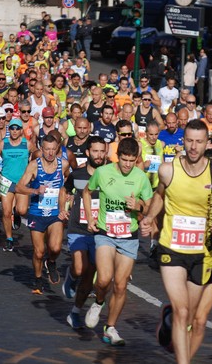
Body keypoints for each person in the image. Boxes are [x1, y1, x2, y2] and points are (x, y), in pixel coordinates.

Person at [140, 119, 212, 363]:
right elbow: (159, 195)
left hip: (203, 252)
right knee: (183, 310)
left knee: (190, 317)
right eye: (189, 141)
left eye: (199, 141)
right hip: (172, 247)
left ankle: (169, 322)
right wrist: (149, 217)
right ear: (182, 142)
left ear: (207, 142)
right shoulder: (168, 169)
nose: (194, 147)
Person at [82, 137, 153, 345]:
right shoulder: (103, 173)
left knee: (121, 286)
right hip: (105, 232)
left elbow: (149, 206)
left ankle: (110, 328)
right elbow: (87, 192)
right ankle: (99, 301)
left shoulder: (141, 177)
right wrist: (90, 217)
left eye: (131, 161)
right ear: (117, 156)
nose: (127, 165)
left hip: (128, 236)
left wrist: (138, 206)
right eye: (124, 160)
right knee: (104, 279)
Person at [59, 136, 107, 329]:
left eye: (102, 151)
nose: (99, 155)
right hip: (78, 229)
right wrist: (62, 208)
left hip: (100, 232)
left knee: (89, 276)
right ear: (88, 152)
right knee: (80, 268)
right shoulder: (77, 174)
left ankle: (75, 312)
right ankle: (71, 277)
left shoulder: (109, 174)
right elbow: (65, 190)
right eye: (95, 151)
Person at [16, 134, 70, 294]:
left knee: (55, 247)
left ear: (58, 149)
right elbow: (19, 187)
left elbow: (65, 184)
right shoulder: (34, 166)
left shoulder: (64, 164)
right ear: (41, 149)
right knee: (39, 252)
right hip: (37, 211)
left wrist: (65, 200)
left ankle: (51, 262)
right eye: (47, 149)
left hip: (55, 212)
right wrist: (34, 190)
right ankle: (38, 279)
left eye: (54, 149)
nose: (50, 153)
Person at [0, 118, 37, 251]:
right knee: (6, 212)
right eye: (12, 128)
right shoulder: (3, 143)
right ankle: (9, 239)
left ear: (21, 131)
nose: (14, 131)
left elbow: (37, 154)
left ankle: (17, 213)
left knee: (22, 210)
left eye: (17, 128)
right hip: (6, 180)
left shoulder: (26, 143)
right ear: (9, 130)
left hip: (22, 182)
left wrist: (33, 168)